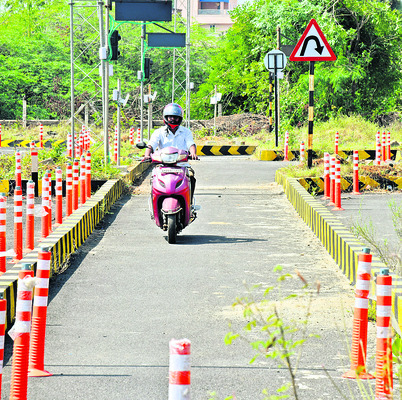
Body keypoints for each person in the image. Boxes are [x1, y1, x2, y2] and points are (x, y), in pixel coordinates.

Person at [143, 103, 197, 204]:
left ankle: (189, 202)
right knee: (153, 178)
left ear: (180, 118)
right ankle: (154, 202)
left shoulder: (186, 132)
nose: (173, 119)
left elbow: (191, 143)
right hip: (162, 165)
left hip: (182, 164)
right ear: (165, 117)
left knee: (191, 177)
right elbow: (151, 144)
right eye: (170, 117)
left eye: (176, 117)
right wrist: (147, 155)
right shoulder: (158, 132)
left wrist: (193, 153)